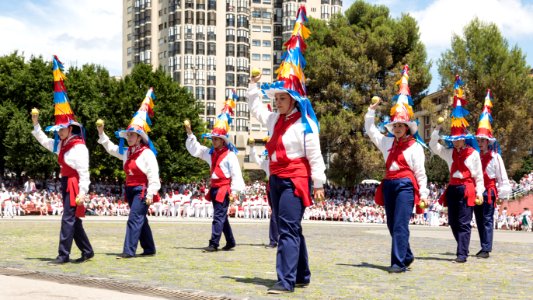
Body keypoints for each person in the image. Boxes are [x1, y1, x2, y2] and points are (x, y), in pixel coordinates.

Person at [248, 5, 326, 294]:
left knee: (287, 229)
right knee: (290, 227)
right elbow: (256, 109)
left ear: (293, 100)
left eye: (282, 97)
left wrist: (317, 183)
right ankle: (302, 274)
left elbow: (314, 155)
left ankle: (285, 280)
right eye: (277, 97)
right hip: (276, 179)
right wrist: (254, 87)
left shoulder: (304, 125)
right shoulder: (274, 120)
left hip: (295, 179)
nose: (278, 101)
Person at [365, 65, 429, 273]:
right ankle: (407, 254)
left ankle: (398, 262)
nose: (398, 128)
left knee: (400, 224)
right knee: (392, 225)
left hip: (405, 187)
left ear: (408, 128)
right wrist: (370, 112)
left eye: (402, 125)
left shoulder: (415, 147)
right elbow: (371, 131)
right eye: (395, 126)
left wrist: (424, 195)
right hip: (389, 185)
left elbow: (420, 173)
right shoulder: (386, 143)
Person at [30, 55, 94, 264]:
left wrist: (83, 193)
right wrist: (36, 124)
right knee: (73, 220)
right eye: (58, 129)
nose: (59, 132)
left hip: (75, 185)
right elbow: (44, 141)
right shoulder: (61, 143)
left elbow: (84, 172)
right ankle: (87, 251)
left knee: (68, 218)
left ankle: (63, 255)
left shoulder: (78, 147)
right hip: (66, 183)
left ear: (70, 128)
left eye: (62, 128)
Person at [97, 88, 160, 258]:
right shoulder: (127, 152)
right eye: (129, 135)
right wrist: (102, 134)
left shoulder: (146, 153)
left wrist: (150, 194)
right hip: (130, 190)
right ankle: (149, 248)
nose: (129, 137)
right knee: (140, 219)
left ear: (140, 137)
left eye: (132, 135)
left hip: (141, 191)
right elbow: (111, 149)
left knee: (134, 219)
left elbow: (154, 175)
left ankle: (128, 250)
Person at [430, 75, 484, 263]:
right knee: (453, 222)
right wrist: (436, 128)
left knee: (464, 222)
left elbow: (478, 176)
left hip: (467, 189)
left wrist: (480, 192)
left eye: (459, 139)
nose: (457, 142)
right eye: (454, 139)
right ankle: (463, 246)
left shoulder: (473, 154)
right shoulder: (449, 153)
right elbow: (432, 146)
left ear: (465, 139)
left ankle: (462, 253)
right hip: (453, 189)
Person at [185, 93, 245, 252]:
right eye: (212, 138)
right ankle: (230, 241)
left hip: (224, 189)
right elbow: (196, 150)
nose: (213, 141)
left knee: (218, 216)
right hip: (215, 188)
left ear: (223, 140)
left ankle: (214, 243)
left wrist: (236, 192)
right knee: (221, 216)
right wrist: (190, 134)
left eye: (216, 139)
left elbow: (236, 174)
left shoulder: (230, 155)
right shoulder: (211, 153)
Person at [473, 89, 511, 258]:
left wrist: (503, 195)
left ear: (488, 142)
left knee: (487, 219)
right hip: (476, 192)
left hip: (489, 192)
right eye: (479, 140)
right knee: (479, 220)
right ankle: (483, 245)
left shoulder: (495, 157)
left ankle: (486, 248)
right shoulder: (474, 156)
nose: (480, 143)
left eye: (483, 140)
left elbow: (502, 177)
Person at [249, 140, 279, 248]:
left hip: (283, 188)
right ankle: (274, 239)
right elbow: (255, 159)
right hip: (272, 188)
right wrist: (252, 147)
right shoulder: (268, 163)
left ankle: (279, 239)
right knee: (275, 214)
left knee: (279, 214)